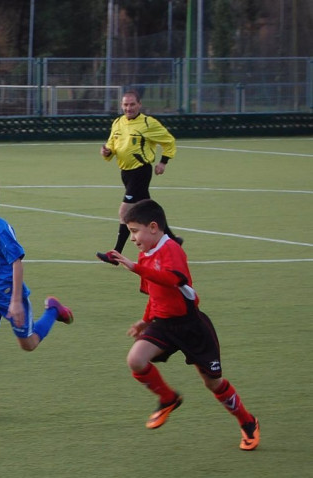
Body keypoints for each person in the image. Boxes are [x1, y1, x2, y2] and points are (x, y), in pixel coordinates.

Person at [104, 199, 259, 451]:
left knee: (213, 383)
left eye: (134, 231)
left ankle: (247, 421)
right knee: (135, 359)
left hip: (191, 326)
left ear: (153, 227)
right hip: (163, 324)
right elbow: (154, 293)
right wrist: (145, 320)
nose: (132, 238)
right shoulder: (146, 253)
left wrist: (135, 268)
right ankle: (168, 398)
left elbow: (173, 280)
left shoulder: (171, 249)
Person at [0, 175, 74, 418]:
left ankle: (53, 310)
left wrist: (16, 301)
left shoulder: (0, 229)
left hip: (10, 296)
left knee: (28, 344)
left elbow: (16, 262)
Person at [96, 90, 181, 266]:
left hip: (141, 170)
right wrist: (106, 151)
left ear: (139, 105)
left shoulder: (148, 123)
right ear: (121, 105)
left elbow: (168, 141)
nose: (129, 108)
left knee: (124, 211)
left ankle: (115, 254)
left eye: (132, 104)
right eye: (125, 105)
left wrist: (163, 162)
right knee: (147, 208)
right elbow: (112, 145)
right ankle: (172, 240)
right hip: (125, 172)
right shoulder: (118, 122)